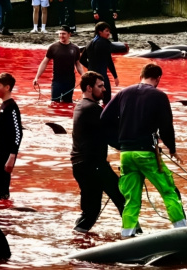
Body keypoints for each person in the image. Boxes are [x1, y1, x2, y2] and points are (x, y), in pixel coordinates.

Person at [101, 63, 187, 237]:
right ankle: (183, 231)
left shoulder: (123, 93)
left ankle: (127, 234)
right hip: (146, 153)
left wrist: (118, 143)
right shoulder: (159, 96)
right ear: (158, 79)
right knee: (168, 191)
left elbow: (103, 118)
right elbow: (166, 127)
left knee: (131, 198)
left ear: (140, 75)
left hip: (126, 154)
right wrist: (172, 148)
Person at [71, 71, 125, 233]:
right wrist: (131, 146)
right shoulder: (92, 109)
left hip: (81, 165)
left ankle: (77, 238)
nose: (104, 89)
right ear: (89, 88)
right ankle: (135, 237)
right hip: (93, 165)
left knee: (91, 211)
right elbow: (111, 136)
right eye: (100, 86)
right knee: (123, 199)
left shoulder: (81, 105)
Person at [33, 25, 84, 103]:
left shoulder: (75, 48)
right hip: (57, 81)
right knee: (54, 103)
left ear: (69, 34)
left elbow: (78, 64)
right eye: (60, 34)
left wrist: (83, 76)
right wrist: (37, 77)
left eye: (63, 34)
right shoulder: (53, 47)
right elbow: (44, 63)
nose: (61, 36)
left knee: (67, 103)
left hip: (70, 81)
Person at [0, 73, 23, 199]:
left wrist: (12, 156)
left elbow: (18, 133)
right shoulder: (3, 105)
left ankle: (4, 216)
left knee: (2, 191)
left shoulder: (12, 107)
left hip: (6, 155)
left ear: (7, 88)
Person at [80, 21, 119, 105]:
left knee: (91, 101)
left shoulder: (89, 43)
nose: (109, 33)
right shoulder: (105, 43)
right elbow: (109, 61)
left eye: (109, 31)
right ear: (100, 32)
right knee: (107, 102)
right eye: (107, 31)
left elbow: (81, 60)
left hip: (90, 77)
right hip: (102, 77)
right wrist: (115, 76)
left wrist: (90, 68)